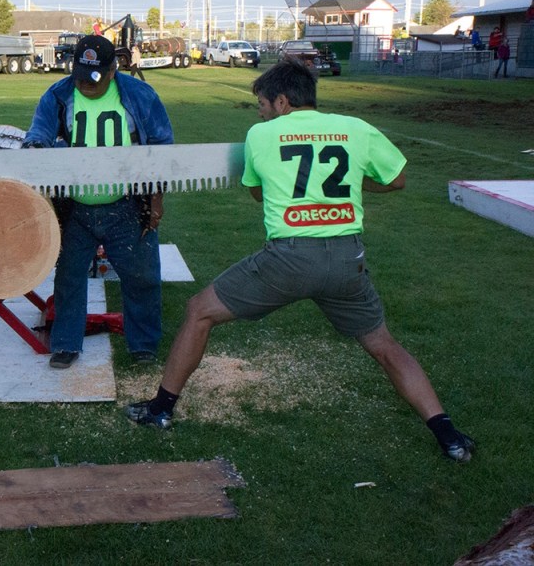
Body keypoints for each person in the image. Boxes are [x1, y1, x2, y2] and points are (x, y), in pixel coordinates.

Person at [126, 57, 475, 463]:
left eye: (262, 104)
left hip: (288, 259)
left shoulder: (261, 135)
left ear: (283, 101)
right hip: (348, 259)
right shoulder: (356, 128)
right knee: (383, 345)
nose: (259, 112)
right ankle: (448, 435)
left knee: (198, 311)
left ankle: (161, 410)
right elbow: (396, 180)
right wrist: (348, 187)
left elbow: (258, 193)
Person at [24, 34, 174, 369]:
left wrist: (157, 199)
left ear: (112, 70)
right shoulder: (58, 95)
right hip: (74, 208)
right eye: (79, 75)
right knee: (68, 278)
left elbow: (163, 148)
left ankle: (143, 346)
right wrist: (36, 150)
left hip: (127, 205)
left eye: (93, 78)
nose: (85, 84)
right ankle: (65, 343)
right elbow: (39, 133)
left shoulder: (139, 95)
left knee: (142, 277)